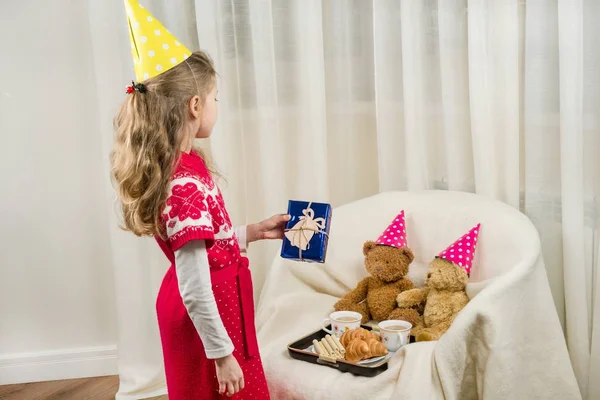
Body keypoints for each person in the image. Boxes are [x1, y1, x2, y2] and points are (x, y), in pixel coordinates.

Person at [111, 5, 287, 398]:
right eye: (215, 98)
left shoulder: (187, 165)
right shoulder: (184, 184)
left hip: (213, 308)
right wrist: (221, 354)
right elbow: (194, 283)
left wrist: (253, 232)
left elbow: (207, 246)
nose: (217, 106)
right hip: (206, 317)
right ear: (194, 105)